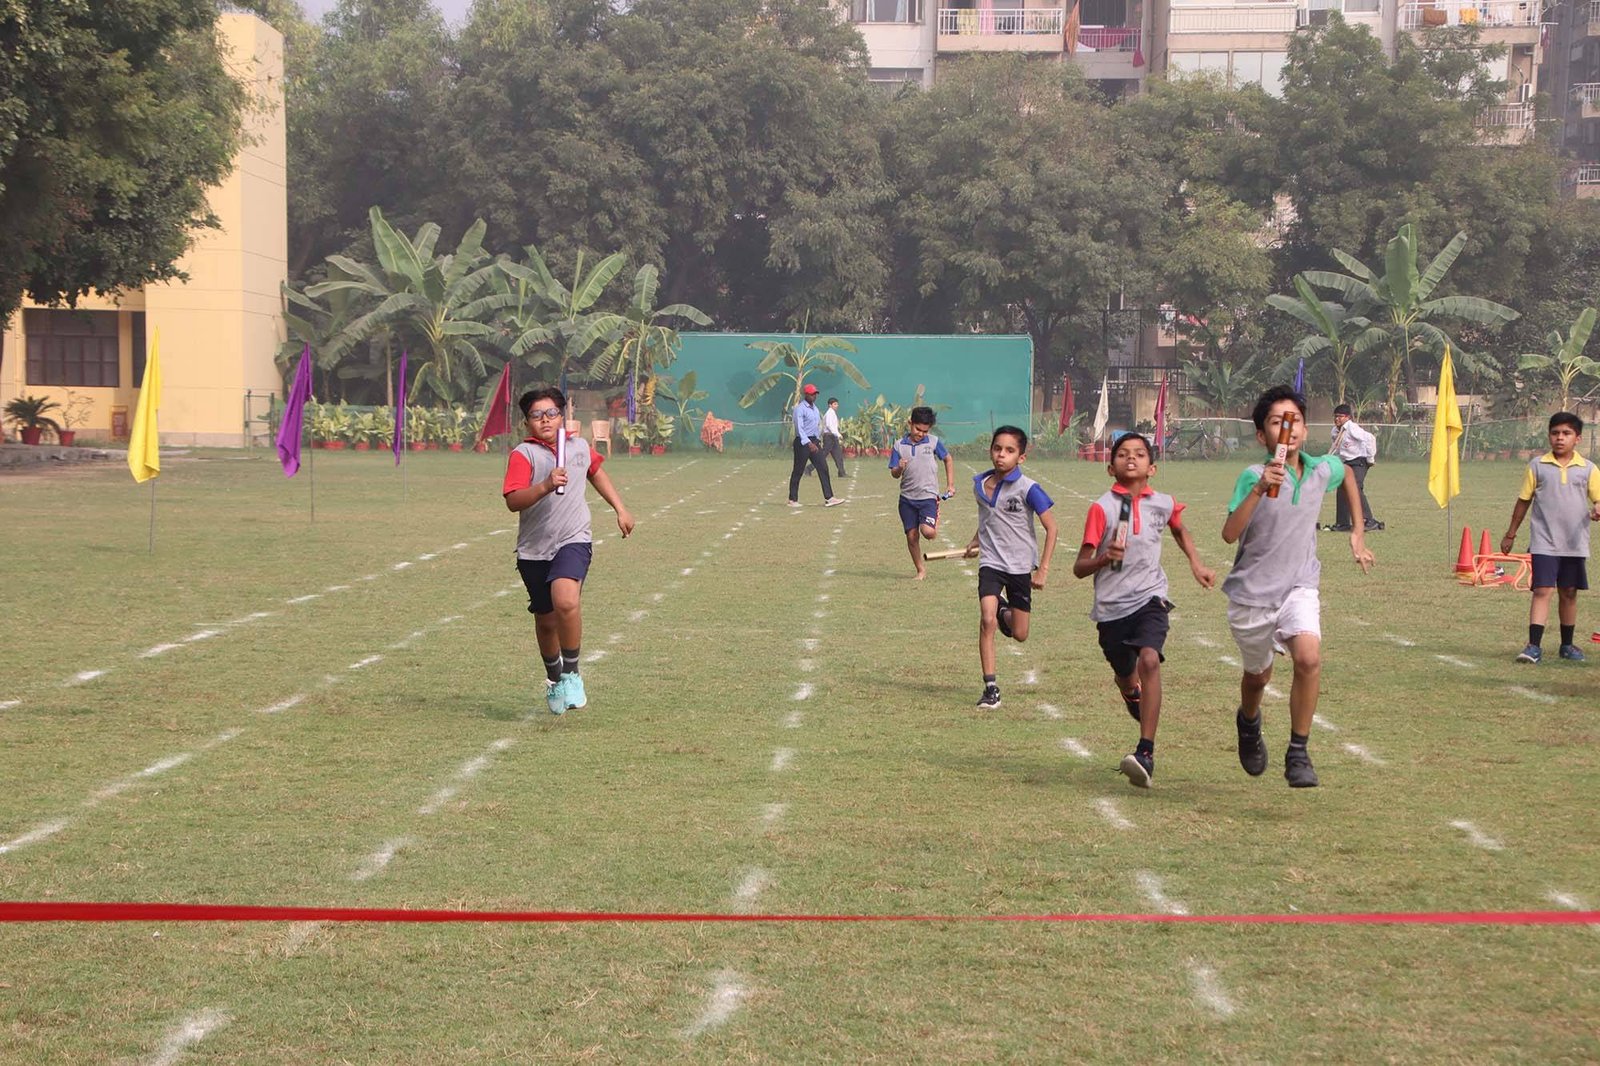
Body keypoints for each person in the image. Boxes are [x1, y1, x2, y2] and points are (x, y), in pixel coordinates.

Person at [1221, 385, 1374, 788]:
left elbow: (1347, 476)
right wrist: (1259, 488)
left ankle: (1298, 752)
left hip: (1300, 585)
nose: (1287, 429)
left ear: (1304, 430)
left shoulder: (1321, 469)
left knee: (1308, 658)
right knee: (1258, 677)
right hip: (1253, 594)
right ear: (1262, 435)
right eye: (1276, 422)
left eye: (1294, 421)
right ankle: (1248, 721)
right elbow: (1229, 533)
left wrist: (1357, 532)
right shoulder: (1252, 476)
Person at [1073, 432, 1216, 788]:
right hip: (1111, 609)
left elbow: (1180, 530)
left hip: (1150, 598)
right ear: (1111, 468)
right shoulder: (1102, 508)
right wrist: (1104, 558)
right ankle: (1130, 691)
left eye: (1139, 454)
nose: (1131, 458)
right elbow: (1079, 566)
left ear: (1152, 467)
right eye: (1123, 454)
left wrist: (1196, 564)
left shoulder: (1163, 503)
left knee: (1150, 660)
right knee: (1126, 673)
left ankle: (1145, 752)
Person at [503, 386, 635, 715]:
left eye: (551, 413)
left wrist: (620, 508)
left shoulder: (578, 447)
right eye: (536, 415)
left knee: (566, 600)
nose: (545, 420)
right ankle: (555, 679)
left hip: (574, 539)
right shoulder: (523, 454)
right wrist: (545, 485)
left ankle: (572, 673)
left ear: (562, 417)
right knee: (546, 620)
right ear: (526, 422)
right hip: (534, 549)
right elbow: (513, 501)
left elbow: (596, 473)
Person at [964, 425, 1059, 710]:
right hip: (991, 563)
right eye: (997, 449)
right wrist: (975, 540)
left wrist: (1042, 570)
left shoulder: (1029, 489)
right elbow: (988, 519)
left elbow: (1052, 528)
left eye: (1009, 450)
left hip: (1019, 567)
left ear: (1021, 457)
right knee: (986, 620)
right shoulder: (980, 485)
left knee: (1020, 633)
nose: (1001, 455)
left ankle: (1004, 611)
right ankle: (990, 688)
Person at [1501, 412, 1600, 664]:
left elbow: (1598, 499)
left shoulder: (1588, 469)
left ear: (1577, 438)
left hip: (1574, 543)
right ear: (1549, 436)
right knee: (1542, 590)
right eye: (1555, 433)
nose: (1560, 438)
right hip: (1544, 541)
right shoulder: (1537, 466)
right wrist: (1510, 534)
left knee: (1569, 592)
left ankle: (1567, 645)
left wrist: (1598, 508)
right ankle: (1533, 646)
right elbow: (1523, 501)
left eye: (1566, 433)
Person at [891, 406, 957, 580]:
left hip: (928, 496)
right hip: (906, 499)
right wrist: (899, 467)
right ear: (910, 423)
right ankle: (920, 570)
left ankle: (934, 517)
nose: (920, 434)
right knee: (912, 536)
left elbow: (948, 459)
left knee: (928, 533)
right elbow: (894, 474)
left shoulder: (933, 442)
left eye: (925, 431)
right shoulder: (899, 445)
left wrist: (950, 485)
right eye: (917, 429)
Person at [1327, 403, 1382, 531]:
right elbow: (1336, 448)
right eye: (1335, 416)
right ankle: (1342, 523)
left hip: (1359, 461)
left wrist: (1370, 459)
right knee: (1342, 488)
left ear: (1348, 417)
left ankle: (1369, 520)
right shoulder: (1335, 431)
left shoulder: (1352, 428)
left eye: (1340, 416)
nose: (1337, 419)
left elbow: (1370, 439)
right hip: (1346, 462)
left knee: (1355, 487)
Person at [788, 383, 843, 508]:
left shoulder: (815, 409)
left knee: (823, 467)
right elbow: (799, 428)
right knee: (798, 470)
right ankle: (792, 499)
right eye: (812, 394)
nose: (814, 396)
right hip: (802, 442)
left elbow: (819, 425)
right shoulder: (799, 409)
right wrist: (808, 443)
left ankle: (829, 497)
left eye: (815, 394)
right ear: (806, 394)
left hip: (814, 441)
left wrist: (817, 440)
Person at [822, 397, 848, 478]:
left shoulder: (833, 413)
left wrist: (837, 434)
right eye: (835, 404)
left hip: (833, 436)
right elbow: (829, 426)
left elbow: (834, 426)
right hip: (829, 437)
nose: (837, 405)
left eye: (837, 404)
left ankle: (841, 472)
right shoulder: (830, 413)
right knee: (823, 455)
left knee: (838, 455)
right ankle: (808, 469)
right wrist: (838, 434)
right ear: (830, 405)